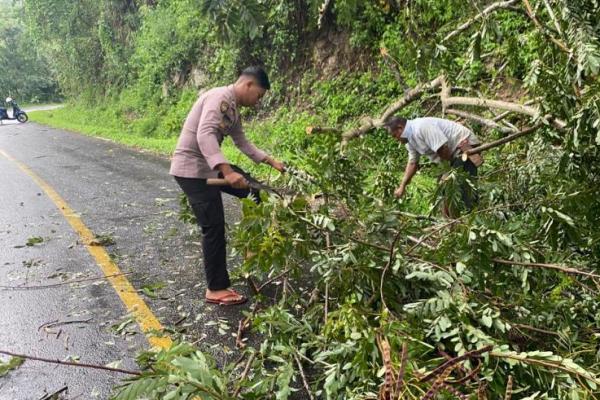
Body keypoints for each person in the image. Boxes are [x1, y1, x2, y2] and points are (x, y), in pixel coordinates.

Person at [170, 66, 285, 306]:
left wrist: (270, 160)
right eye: (260, 96)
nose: (259, 101)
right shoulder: (220, 98)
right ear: (248, 85)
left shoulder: (233, 109)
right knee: (213, 227)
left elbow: (242, 142)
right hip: (192, 170)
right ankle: (216, 288)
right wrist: (227, 171)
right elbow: (204, 135)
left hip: (206, 166)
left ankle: (252, 247)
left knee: (252, 190)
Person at [384, 116, 483, 210]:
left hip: (463, 148)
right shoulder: (409, 141)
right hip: (449, 156)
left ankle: (475, 213)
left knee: (462, 186)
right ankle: (454, 221)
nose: (396, 139)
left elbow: (443, 149)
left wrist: (448, 171)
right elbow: (412, 163)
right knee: (443, 191)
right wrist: (402, 186)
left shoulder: (421, 127)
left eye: (395, 136)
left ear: (400, 128)